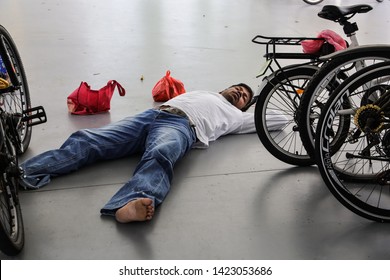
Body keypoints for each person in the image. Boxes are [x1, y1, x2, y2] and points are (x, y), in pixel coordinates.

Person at [20, 83, 287, 223]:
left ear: (244, 106)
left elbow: (271, 119)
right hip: (150, 116)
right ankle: (23, 173)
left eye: (244, 96)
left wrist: (306, 110)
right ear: (223, 88)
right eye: (238, 88)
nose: (240, 92)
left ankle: (132, 203)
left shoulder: (237, 117)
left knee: (161, 154)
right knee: (87, 139)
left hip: (181, 126)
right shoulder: (203, 91)